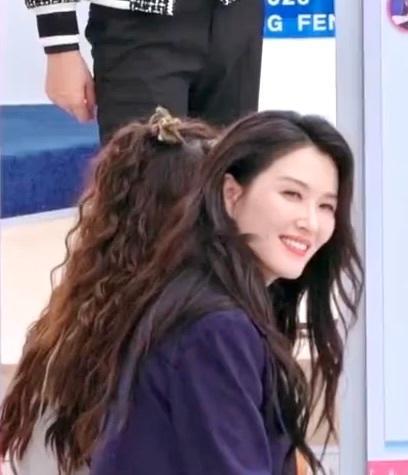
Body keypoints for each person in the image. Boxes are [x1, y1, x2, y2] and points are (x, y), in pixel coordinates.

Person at [1, 110, 363, 475]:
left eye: (326, 205)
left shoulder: (163, 315)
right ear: (229, 196)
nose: (310, 221)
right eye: (291, 194)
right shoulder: (213, 328)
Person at [27, 0, 265, 142]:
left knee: (230, 183)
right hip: (141, 22)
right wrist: (60, 45)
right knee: (146, 190)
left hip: (237, 14)